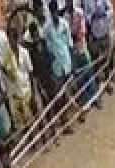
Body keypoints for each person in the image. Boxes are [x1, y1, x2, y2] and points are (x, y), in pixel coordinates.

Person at [44, 2, 74, 130]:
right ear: (50, 13)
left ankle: (68, 116)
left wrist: (72, 62)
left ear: (57, 11)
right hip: (56, 66)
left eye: (55, 11)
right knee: (59, 94)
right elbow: (47, 48)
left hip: (66, 61)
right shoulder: (47, 28)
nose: (54, 14)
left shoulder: (64, 24)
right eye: (52, 12)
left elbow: (70, 43)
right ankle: (63, 120)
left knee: (68, 91)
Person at [5, 28, 35, 128]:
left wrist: (33, 91)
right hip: (16, 91)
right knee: (22, 118)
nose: (10, 42)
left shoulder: (24, 52)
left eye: (12, 39)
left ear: (16, 39)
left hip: (27, 88)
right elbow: (8, 74)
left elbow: (30, 71)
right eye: (9, 39)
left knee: (33, 112)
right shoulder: (7, 55)